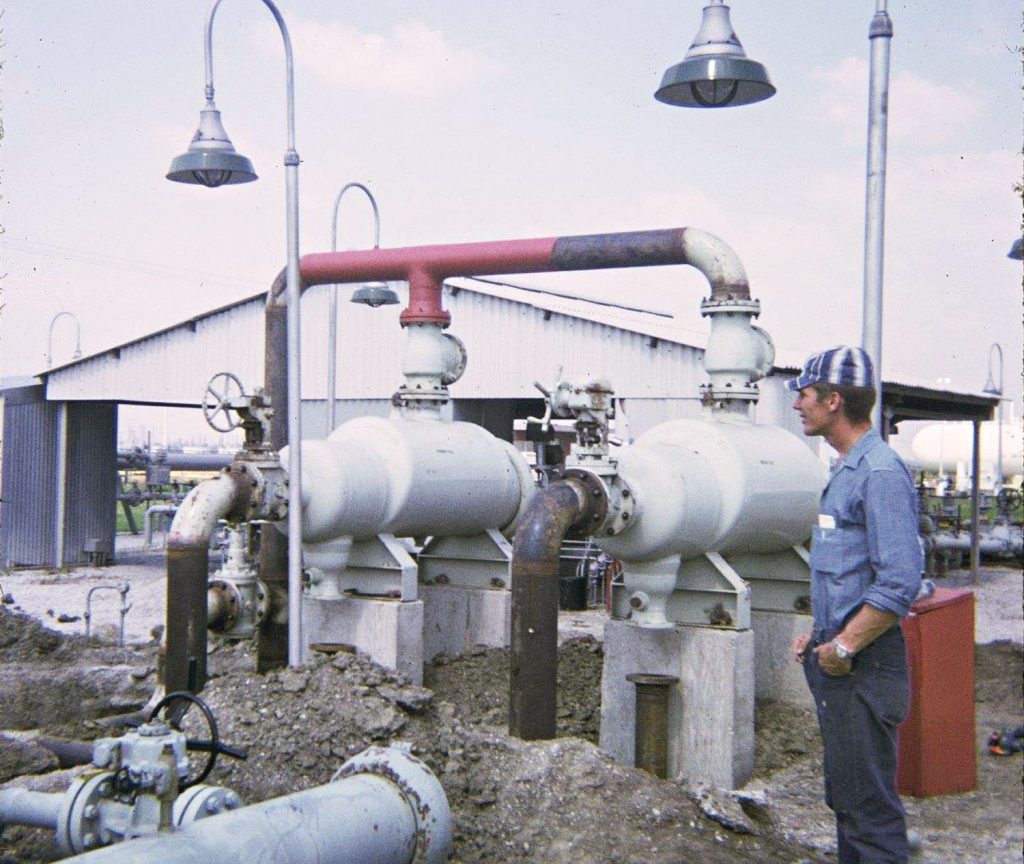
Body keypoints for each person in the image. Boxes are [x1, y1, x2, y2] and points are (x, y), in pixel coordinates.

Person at [788, 345, 923, 864]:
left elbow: (898, 583)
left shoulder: (879, 473)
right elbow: (849, 573)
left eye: (805, 394)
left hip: (864, 664)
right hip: (842, 658)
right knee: (848, 801)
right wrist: (822, 633)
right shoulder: (849, 470)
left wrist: (843, 646)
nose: (798, 404)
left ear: (834, 400)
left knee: (868, 812)